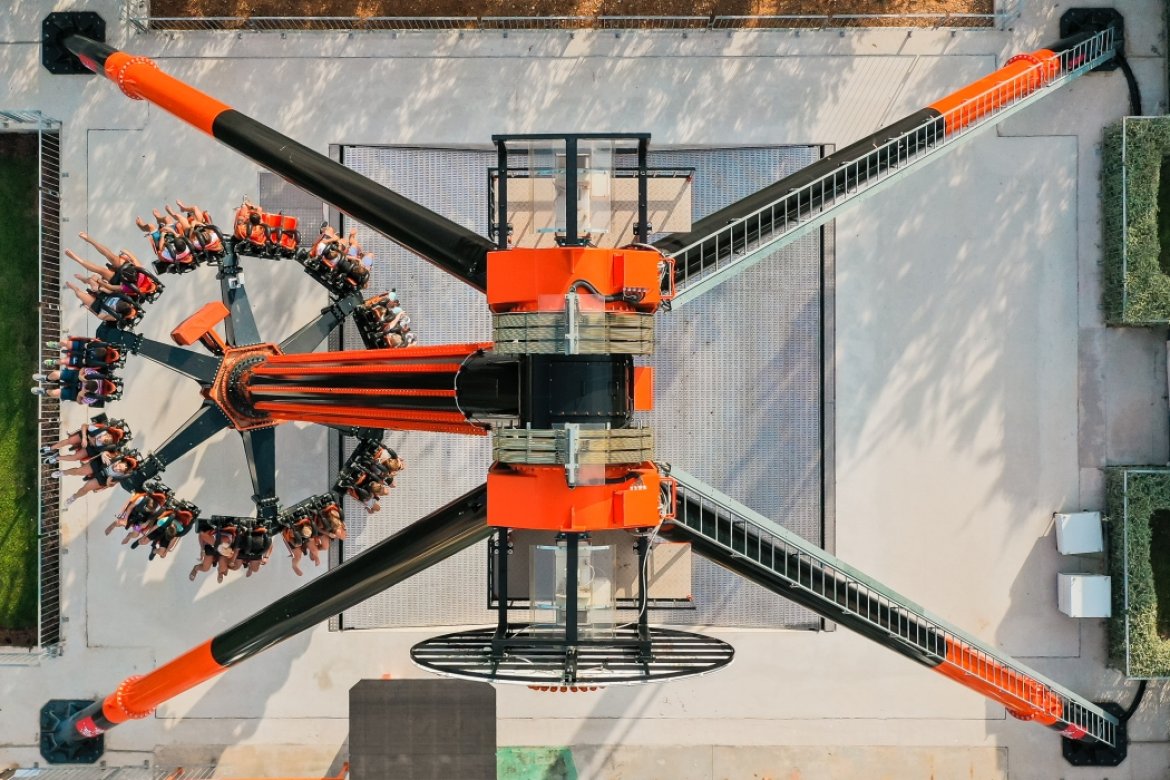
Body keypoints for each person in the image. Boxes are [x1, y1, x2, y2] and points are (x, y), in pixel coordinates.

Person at [65, 280, 139, 327]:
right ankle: (84, 281)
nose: (129, 305)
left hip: (98, 305)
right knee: (92, 280)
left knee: (79, 294)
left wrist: (89, 309)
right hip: (104, 295)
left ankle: (72, 287)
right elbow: (114, 292)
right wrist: (103, 288)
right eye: (130, 306)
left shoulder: (115, 316)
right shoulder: (126, 300)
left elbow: (100, 316)